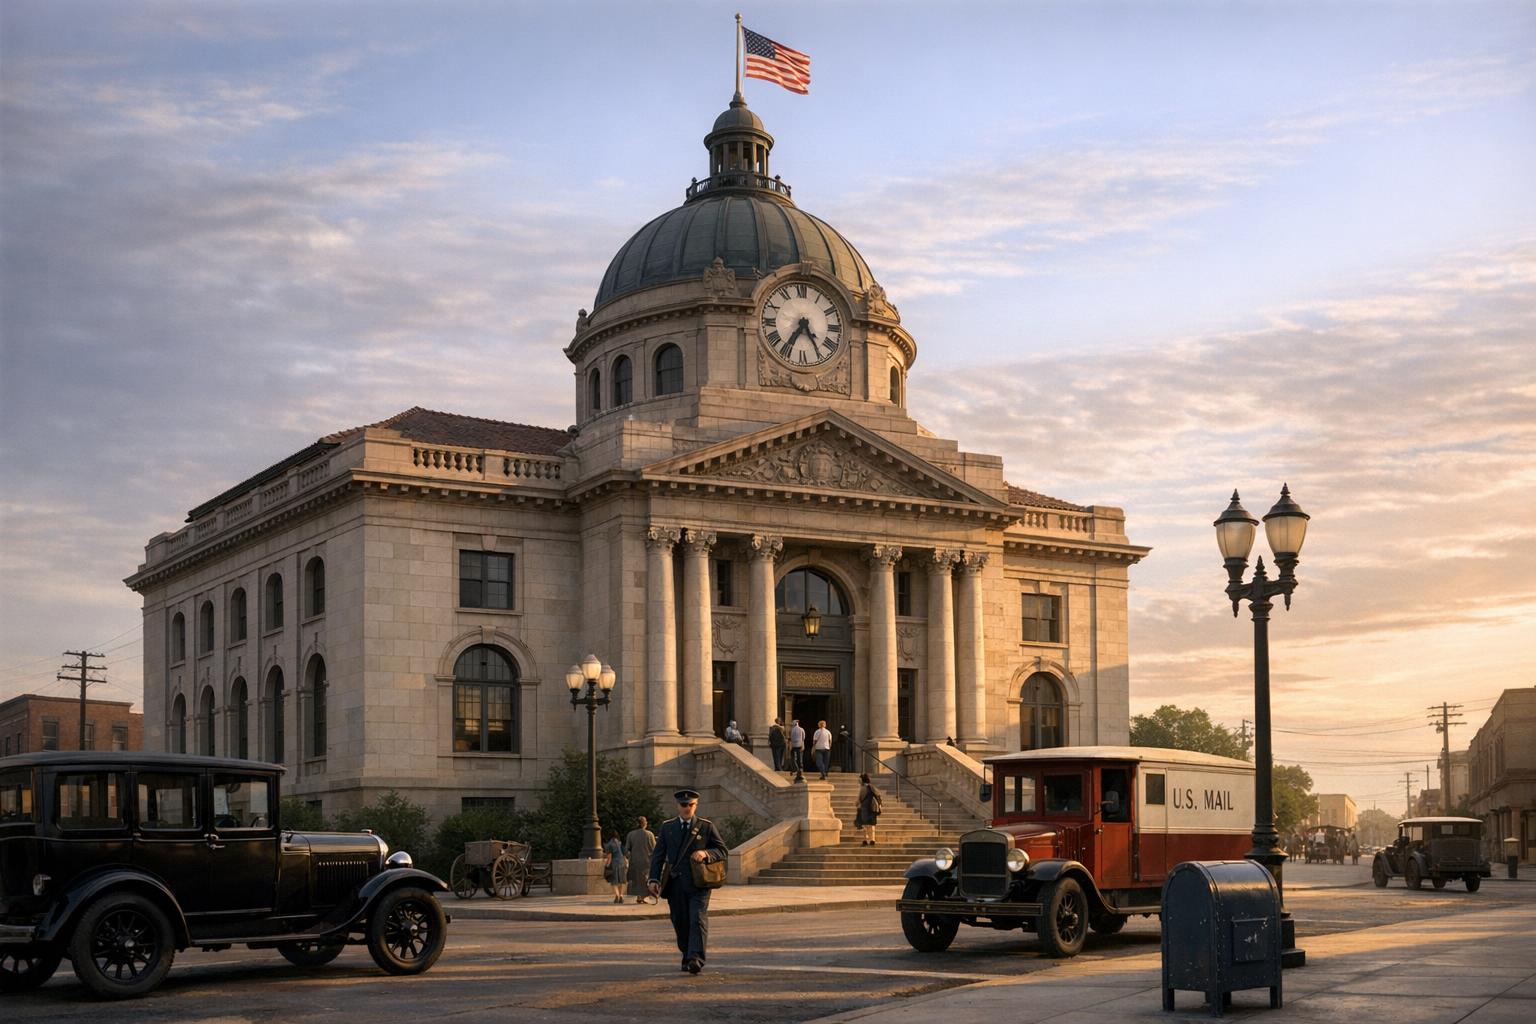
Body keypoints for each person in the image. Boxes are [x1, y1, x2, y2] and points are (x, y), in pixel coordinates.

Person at [648, 789, 728, 975]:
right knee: (680, 921)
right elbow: (658, 856)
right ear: (678, 806)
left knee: (697, 919)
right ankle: (687, 954)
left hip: (699, 883)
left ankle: (696, 959)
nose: (687, 808)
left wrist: (706, 853)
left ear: (696, 805)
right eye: (684, 805)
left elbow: (722, 850)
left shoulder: (706, 827)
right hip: (675, 884)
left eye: (690, 805)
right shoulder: (667, 827)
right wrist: (653, 879)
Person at [625, 816, 657, 903]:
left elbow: (626, 849)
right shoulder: (649, 834)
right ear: (644, 824)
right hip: (646, 861)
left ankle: (639, 897)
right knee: (645, 880)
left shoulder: (630, 834)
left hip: (634, 861)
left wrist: (629, 857)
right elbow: (654, 849)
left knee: (636, 880)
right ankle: (644, 897)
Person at [855, 772, 882, 846]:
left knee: (865, 825)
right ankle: (872, 839)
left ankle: (865, 840)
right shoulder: (873, 787)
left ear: (862, 781)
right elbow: (878, 796)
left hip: (865, 809)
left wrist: (856, 804)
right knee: (872, 824)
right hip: (873, 808)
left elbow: (859, 800)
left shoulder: (862, 789)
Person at [603, 830, 626, 905]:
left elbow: (609, 857)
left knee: (614, 881)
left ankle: (617, 895)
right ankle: (621, 896)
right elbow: (624, 853)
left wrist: (606, 865)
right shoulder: (619, 843)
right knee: (621, 880)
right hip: (621, 862)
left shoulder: (609, 844)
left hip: (614, 863)